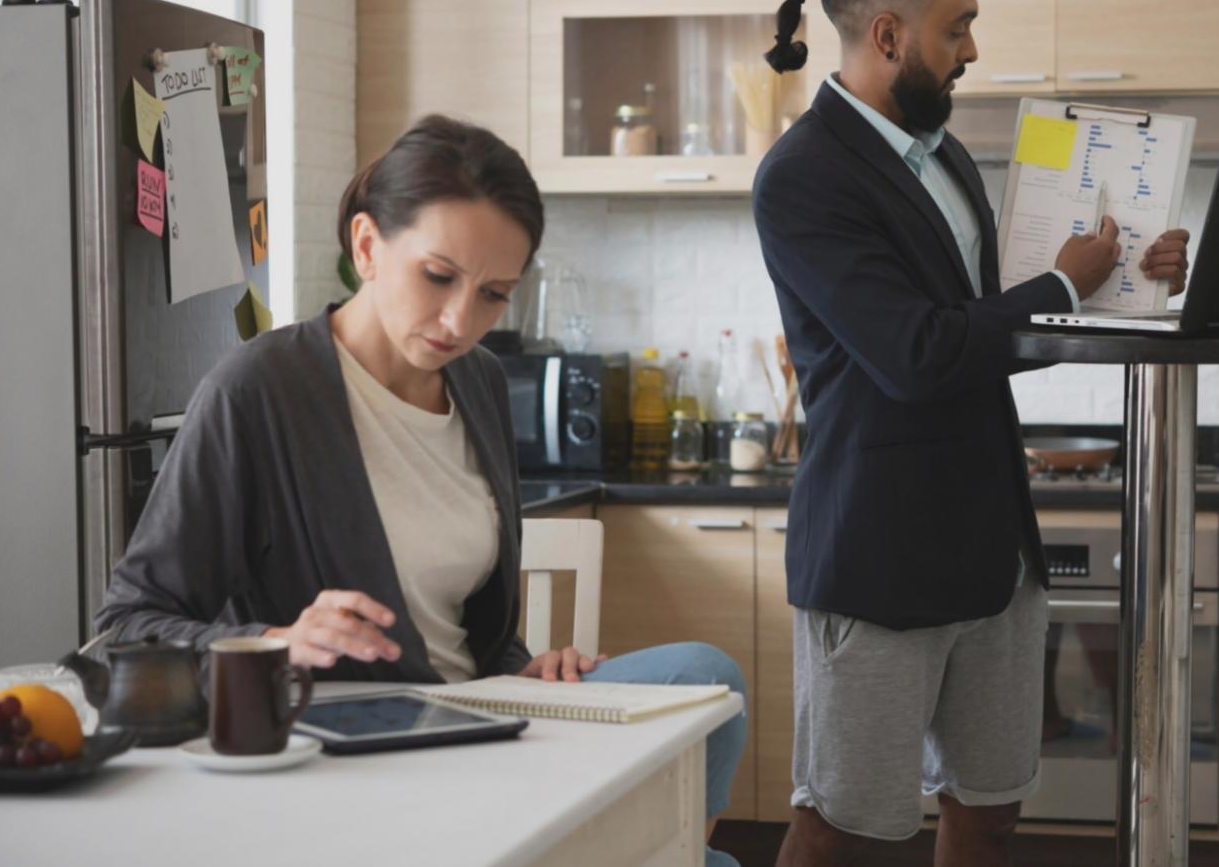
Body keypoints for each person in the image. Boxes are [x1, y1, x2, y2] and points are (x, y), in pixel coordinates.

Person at [96, 115, 746, 867]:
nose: (458, 321)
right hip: (362, 745)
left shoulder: (477, 382)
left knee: (706, 679)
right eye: (438, 277)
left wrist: (527, 668)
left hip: (481, 720)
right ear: (367, 246)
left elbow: (475, 631)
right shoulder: (260, 391)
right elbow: (127, 628)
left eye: (493, 295)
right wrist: (276, 643)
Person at [752, 0, 1190, 866]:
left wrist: (1132, 278)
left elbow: (987, 338)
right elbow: (913, 353)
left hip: (992, 547)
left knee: (990, 808)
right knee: (842, 825)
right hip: (875, 559)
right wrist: (1065, 284)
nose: (972, 50)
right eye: (958, 27)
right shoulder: (802, 177)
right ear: (888, 36)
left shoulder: (943, 156)